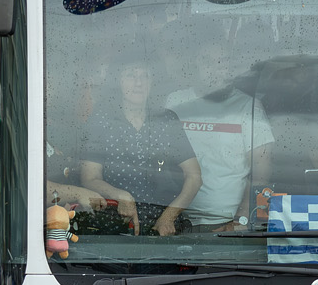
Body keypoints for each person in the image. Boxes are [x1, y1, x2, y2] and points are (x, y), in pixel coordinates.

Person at [81, 58, 201, 236]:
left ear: (152, 82)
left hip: (161, 230)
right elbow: (89, 178)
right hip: (114, 229)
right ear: (118, 81)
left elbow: (194, 176)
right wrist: (120, 195)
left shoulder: (166, 120)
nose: (139, 82)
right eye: (131, 75)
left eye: (145, 75)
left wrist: (168, 218)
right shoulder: (101, 120)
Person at [165, 38, 274, 231]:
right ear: (194, 64)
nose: (214, 69)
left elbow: (261, 174)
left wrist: (242, 219)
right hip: (173, 219)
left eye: (222, 62)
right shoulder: (175, 102)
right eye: (206, 61)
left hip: (224, 224)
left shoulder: (248, 107)